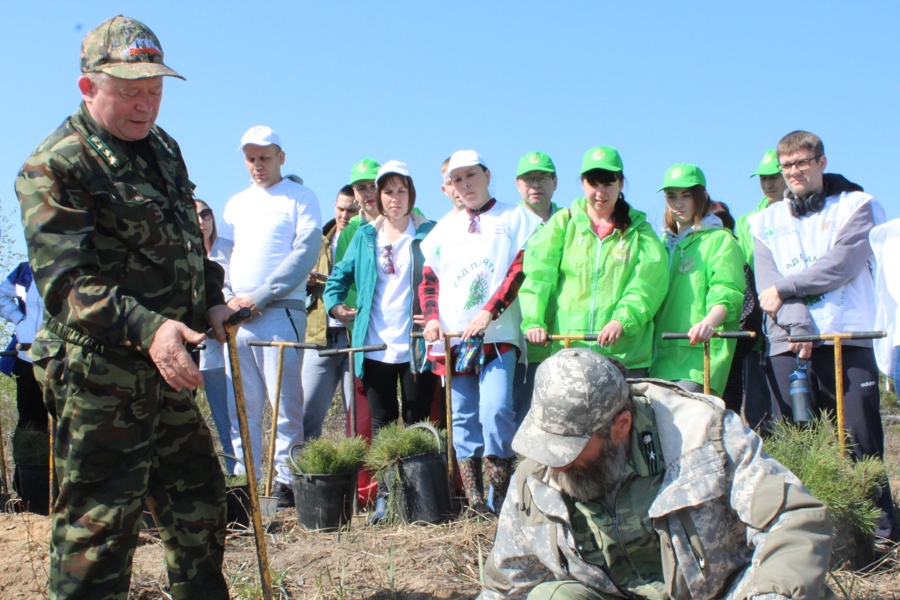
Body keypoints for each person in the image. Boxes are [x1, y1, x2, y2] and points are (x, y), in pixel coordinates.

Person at [16, 15, 231, 598]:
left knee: (202, 510)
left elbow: (185, 240)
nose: (145, 106)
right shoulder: (57, 165)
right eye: (130, 92)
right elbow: (67, 285)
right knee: (100, 530)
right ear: (89, 87)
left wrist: (211, 300)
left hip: (171, 366)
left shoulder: (163, 148)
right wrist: (152, 326)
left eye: (155, 91)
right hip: (100, 378)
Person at [480, 348, 834, 599]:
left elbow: (792, 518)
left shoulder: (702, 437)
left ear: (621, 425)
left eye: (567, 449)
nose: (555, 463)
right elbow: (507, 584)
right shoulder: (536, 473)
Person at [748, 130, 897, 542]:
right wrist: (798, 325)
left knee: (861, 443)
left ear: (821, 163)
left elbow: (842, 265)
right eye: (787, 165)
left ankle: (879, 538)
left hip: (847, 339)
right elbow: (768, 284)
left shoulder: (858, 206)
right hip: (788, 345)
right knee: (798, 446)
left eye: (802, 162)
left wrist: (788, 291)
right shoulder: (763, 221)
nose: (794, 172)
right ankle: (807, 537)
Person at [420, 150, 541, 514]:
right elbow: (430, 281)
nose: (465, 185)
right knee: (462, 416)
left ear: (487, 174)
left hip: (498, 335)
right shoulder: (444, 228)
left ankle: (499, 496)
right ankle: (475, 501)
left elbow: (519, 270)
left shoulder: (517, 217)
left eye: (471, 175)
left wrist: (491, 311)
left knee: (498, 410)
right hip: (456, 338)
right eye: (457, 179)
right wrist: (430, 319)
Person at [519, 146, 667, 428]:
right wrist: (534, 320)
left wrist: (622, 319)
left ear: (621, 183)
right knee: (569, 431)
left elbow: (648, 283)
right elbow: (539, 276)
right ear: (582, 183)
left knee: (624, 432)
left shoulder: (640, 231)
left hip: (624, 355)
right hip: (569, 352)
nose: (600, 191)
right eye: (592, 182)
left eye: (608, 181)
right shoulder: (563, 223)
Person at [217, 125, 322, 508]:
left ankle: (284, 484)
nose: (257, 165)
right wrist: (228, 299)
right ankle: (247, 481)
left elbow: (305, 253)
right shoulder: (235, 204)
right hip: (237, 320)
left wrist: (261, 295)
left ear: (281, 157)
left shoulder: (300, 197)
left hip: (279, 313)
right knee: (240, 406)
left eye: (264, 157)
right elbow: (222, 257)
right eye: (250, 158)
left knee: (284, 405)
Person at [325, 161, 438, 432]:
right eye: (388, 192)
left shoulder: (430, 233)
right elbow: (338, 276)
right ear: (380, 196)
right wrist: (336, 307)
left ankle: (417, 476)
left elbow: (448, 279)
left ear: (412, 194)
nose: (395, 198)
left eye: (402, 191)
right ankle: (386, 477)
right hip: (375, 344)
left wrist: (438, 314)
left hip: (417, 344)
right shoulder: (365, 235)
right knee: (381, 422)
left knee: (418, 422)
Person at [650, 164, 745, 396]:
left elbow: (728, 291)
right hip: (656, 358)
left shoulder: (720, 241)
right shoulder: (661, 245)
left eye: (686, 196)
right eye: (671, 196)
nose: (678, 203)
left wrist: (710, 322)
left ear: (701, 197)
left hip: (698, 360)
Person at [301, 185, 360, 440]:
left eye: (351, 210)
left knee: (356, 416)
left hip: (354, 338)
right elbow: (294, 282)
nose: (344, 216)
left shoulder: (367, 238)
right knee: (306, 413)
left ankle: (357, 478)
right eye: (340, 209)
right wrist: (305, 280)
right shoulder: (318, 241)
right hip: (319, 338)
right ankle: (301, 474)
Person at [0, 261, 49, 498]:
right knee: (31, 423)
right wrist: (19, 320)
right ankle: (24, 493)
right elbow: (1, 295)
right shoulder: (24, 271)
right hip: (26, 358)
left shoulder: (76, 264)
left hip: (64, 359)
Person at [194, 199, 236, 475]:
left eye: (206, 213)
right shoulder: (185, 254)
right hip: (203, 351)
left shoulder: (228, 249)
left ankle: (249, 476)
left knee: (240, 415)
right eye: (195, 215)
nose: (201, 220)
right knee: (221, 419)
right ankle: (234, 473)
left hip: (233, 342)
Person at [335, 157, 382, 263]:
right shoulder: (348, 233)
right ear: (354, 192)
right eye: (361, 188)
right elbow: (343, 275)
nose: (368, 193)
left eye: (373, 186)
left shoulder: (407, 218)